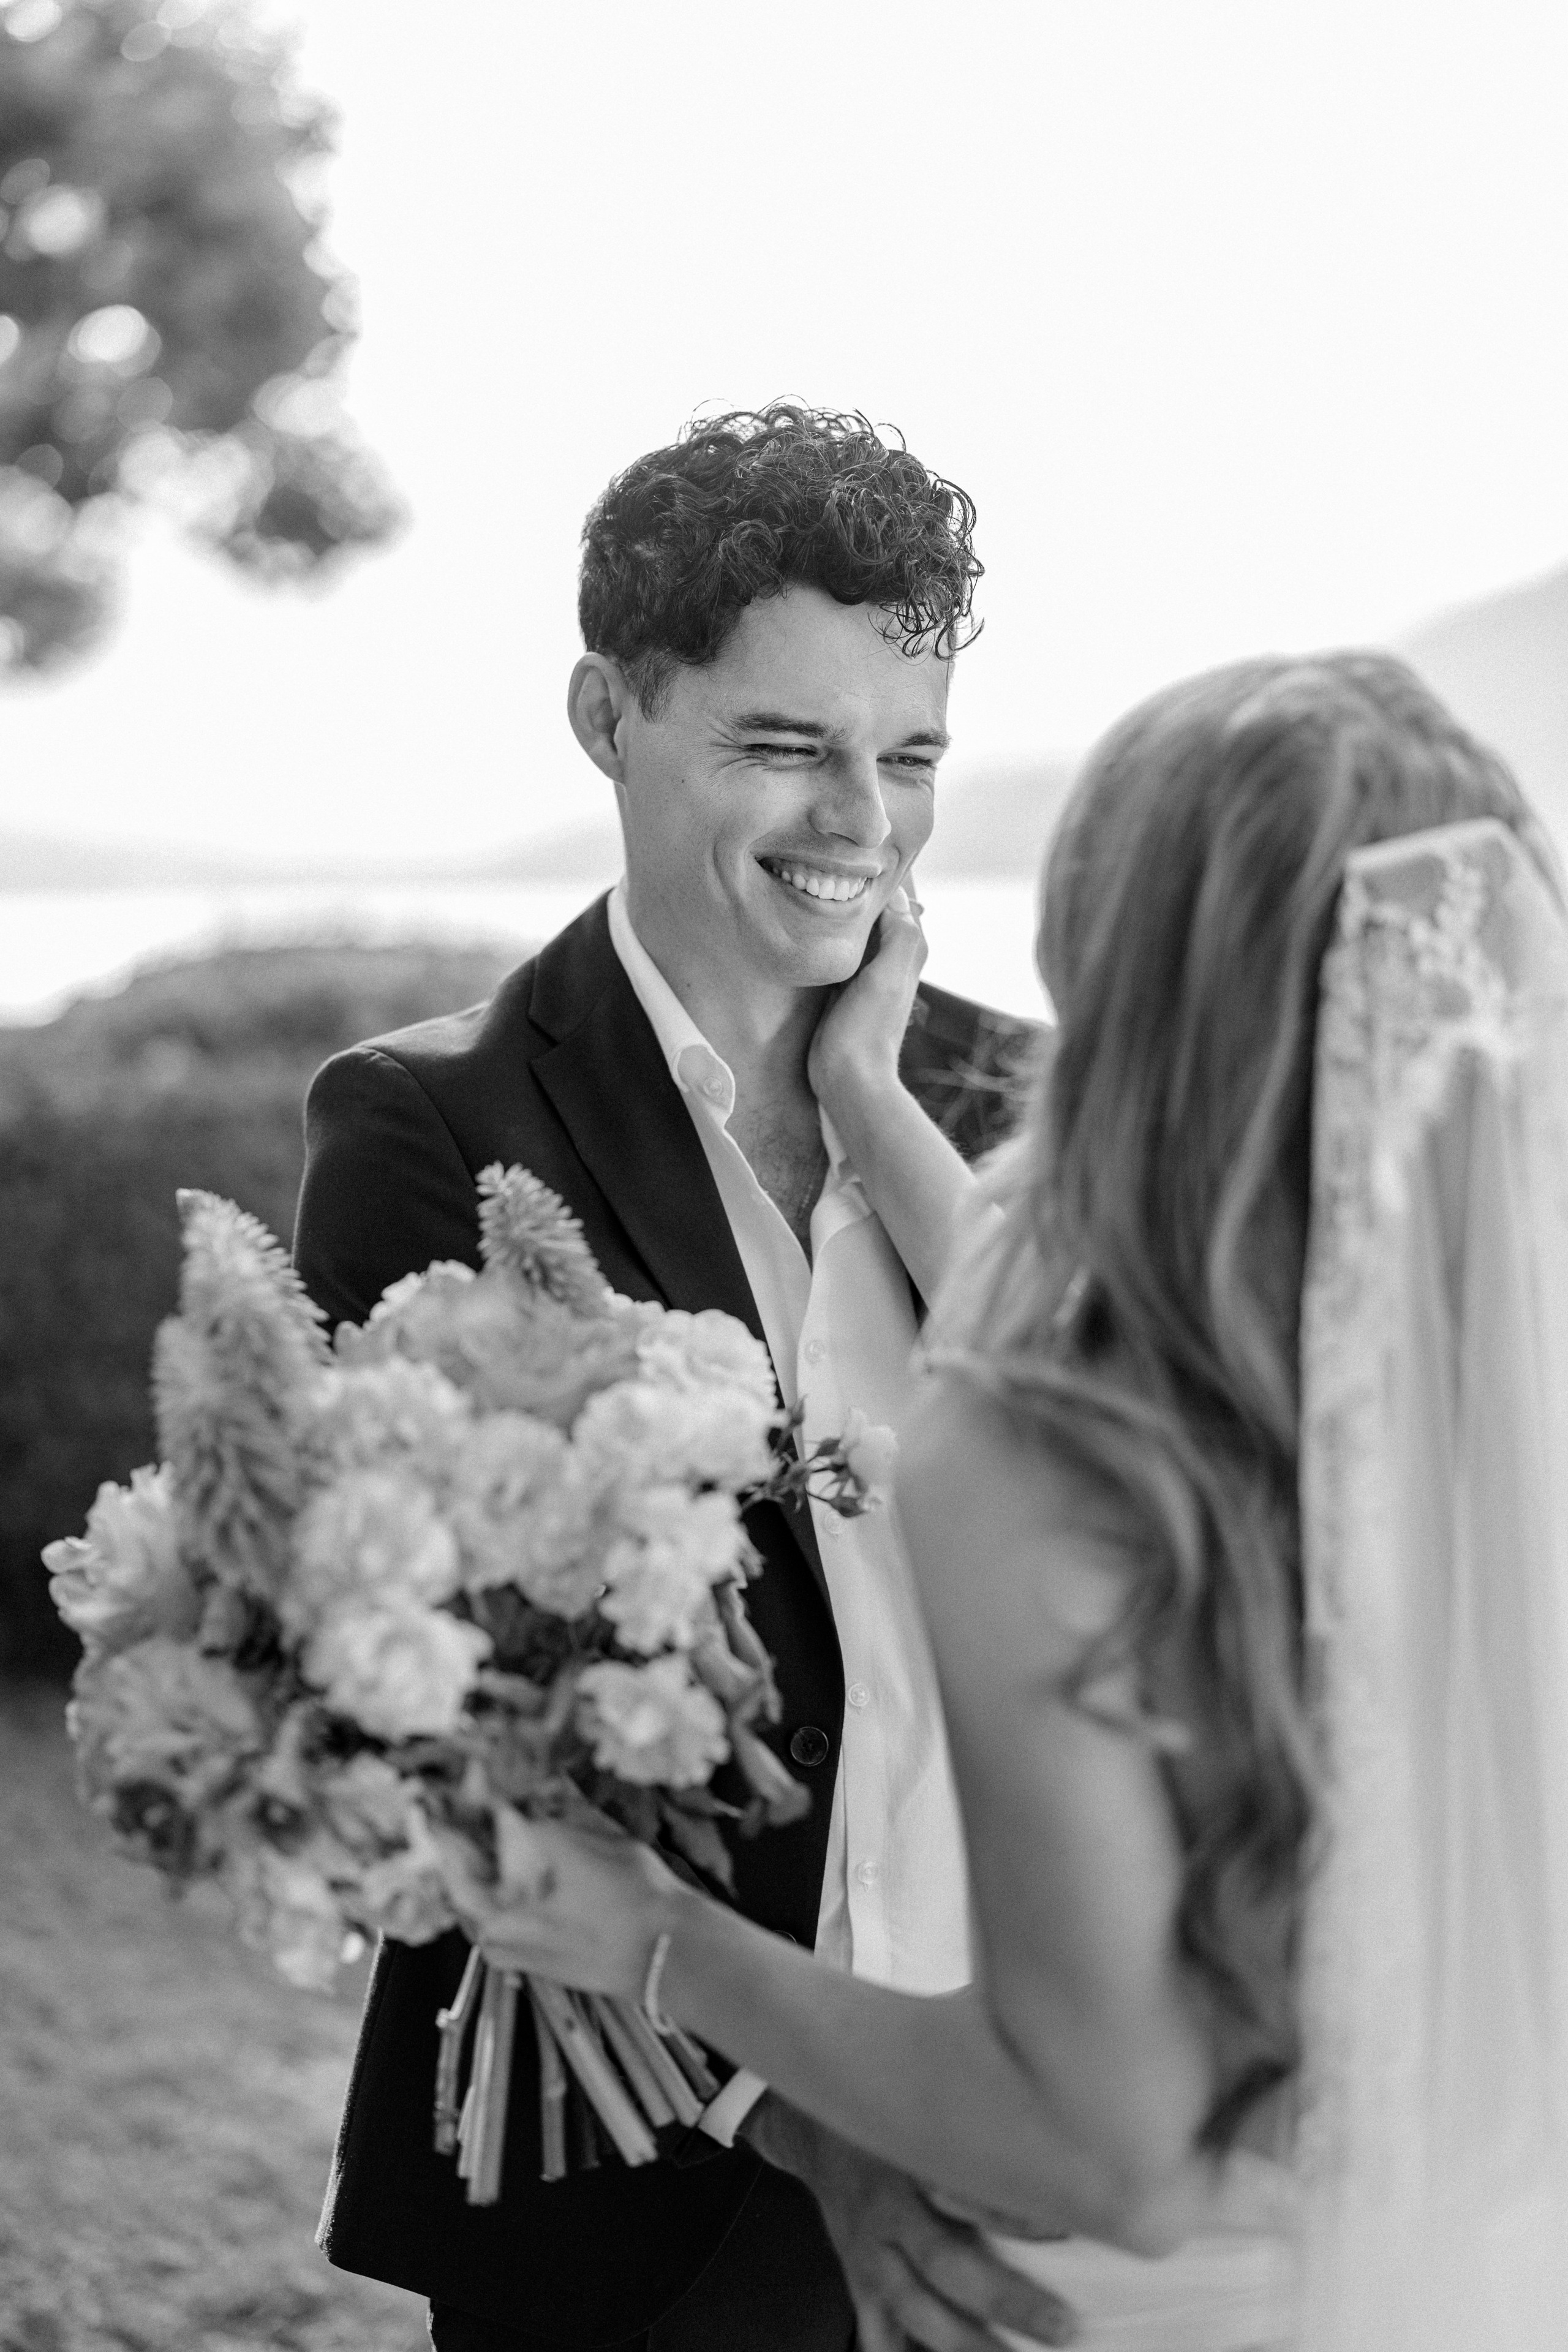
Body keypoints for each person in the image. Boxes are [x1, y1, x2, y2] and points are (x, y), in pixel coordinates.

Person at [467, 651, 1568, 2350]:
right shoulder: (1484, 1365)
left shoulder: (1045, 1461)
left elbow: (1107, 2147)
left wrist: (666, 1943)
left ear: (1119, 964)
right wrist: (866, 1099)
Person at [291, 405, 1072, 2352]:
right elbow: (432, 1730)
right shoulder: (424, 1126)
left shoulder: (1026, 1100)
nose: (862, 827)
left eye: (910, 758)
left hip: (1037, 2129)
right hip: (642, 2187)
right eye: (787, 746)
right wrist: (815, 2129)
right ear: (604, 713)